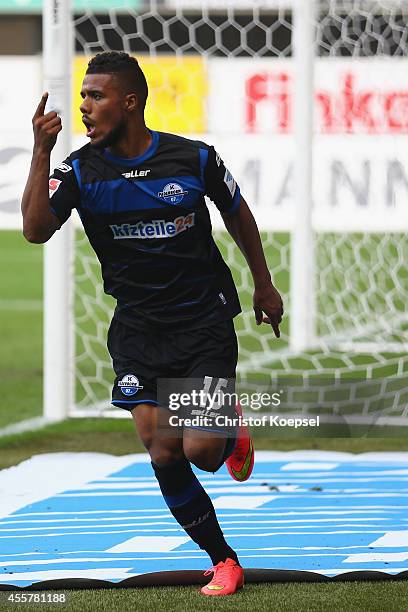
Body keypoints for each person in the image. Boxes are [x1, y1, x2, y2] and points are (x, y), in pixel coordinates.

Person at [21, 51, 283, 596]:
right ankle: (224, 559)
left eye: (96, 96)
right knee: (161, 447)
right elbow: (35, 230)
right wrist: (41, 152)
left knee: (201, 453)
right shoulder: (78, 169)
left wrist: (263, 282)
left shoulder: (194, 159)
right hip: (138, 330)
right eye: (83, 97)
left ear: (130, 102)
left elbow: (237, 211)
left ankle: (226, 428)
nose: (84, 107)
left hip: (204, 323)